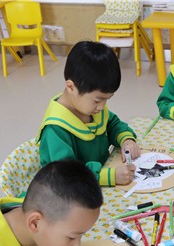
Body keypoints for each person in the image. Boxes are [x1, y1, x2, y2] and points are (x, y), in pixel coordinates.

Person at [37, 41, 140, 187]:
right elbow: (67, 176)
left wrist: (126, 140)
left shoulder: (90, 108)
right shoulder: (55, 129)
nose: (102, 106)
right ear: (71, 87)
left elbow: (112, 124)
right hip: (69, 191)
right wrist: (108, 176)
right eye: (98, 100)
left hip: (95, 183)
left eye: (107, 99)